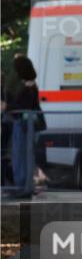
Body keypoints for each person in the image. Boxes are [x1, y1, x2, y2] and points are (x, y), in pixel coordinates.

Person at [5, 56, 42, 197]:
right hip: (27, 124)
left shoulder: (28, 87)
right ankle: (26, 185)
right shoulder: (30, 85)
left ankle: (22, 187)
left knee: (20, 155)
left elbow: (22, 106)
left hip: (23, 124)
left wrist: (7, 106)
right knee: (26, 155)